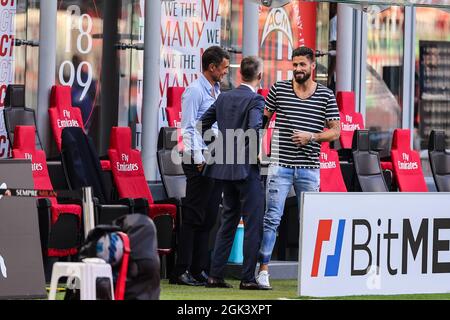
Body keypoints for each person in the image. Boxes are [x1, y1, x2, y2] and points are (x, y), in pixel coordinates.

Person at [256, 46, 341, 289]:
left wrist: (311, 137)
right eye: (294, 65)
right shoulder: (278, 89)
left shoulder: (325, 95)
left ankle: (312, 273)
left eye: (302, 65)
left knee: (310, 220)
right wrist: (259, 151)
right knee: (272, 218)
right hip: (279, 164)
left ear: (312, 66)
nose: (297, 69)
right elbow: (263, 118)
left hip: (309, 166)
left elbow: (336, 130)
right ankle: (263, 270)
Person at [199, 56, 267, 290]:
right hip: (246, 169)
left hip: (224, 168)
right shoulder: (256, 99)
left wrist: (219, 148)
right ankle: (247, 278)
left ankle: (215, 275)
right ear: (260, 76)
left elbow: (202, 124)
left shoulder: (224, 97)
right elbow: (254, 128)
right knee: (252, 223)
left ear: (240, 75)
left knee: (228, 221)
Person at [169, 46, 230, 286]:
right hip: (197, 159)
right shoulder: (194, 91)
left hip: (213, 157)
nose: (226, 72)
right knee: (194, 215)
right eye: (224, 68)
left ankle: (199, 269)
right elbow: (186, 128)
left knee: (208, 217)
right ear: (212, 67)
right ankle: (180, 271)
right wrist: (197, 159)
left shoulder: (216, 91)